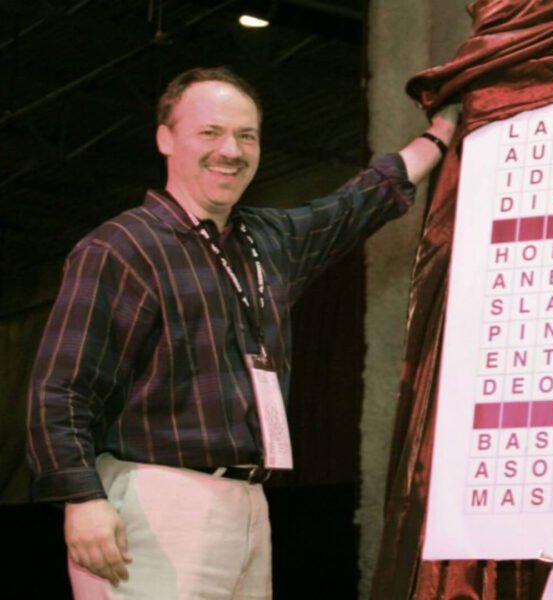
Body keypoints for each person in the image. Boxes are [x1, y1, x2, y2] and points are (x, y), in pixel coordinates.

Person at [25, 66, 458, 598]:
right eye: (210, 133)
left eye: (245, 135)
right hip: (155, 504)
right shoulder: (120, 249)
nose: (230, 150)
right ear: (165, 138)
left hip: (250, 503)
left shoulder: (265, 241)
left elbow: (357, 202)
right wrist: (81, 500)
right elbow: (60, 389)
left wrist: (443, 132)